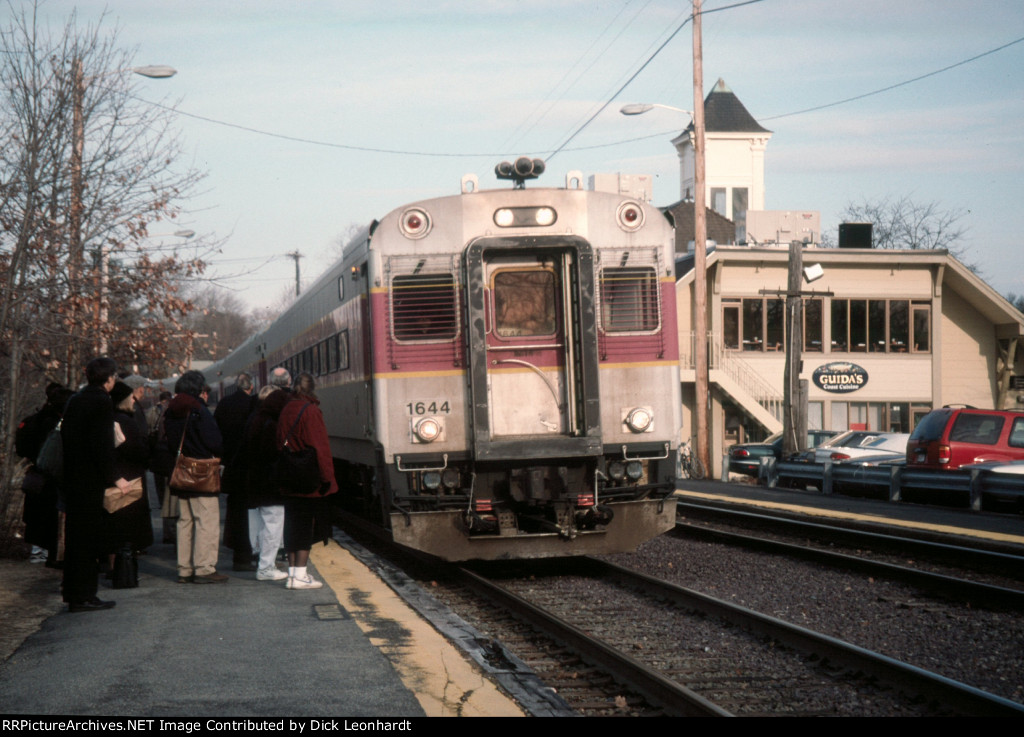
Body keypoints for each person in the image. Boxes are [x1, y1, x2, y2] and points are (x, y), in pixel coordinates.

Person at [60, 357, 127, 612]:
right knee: (88, 540)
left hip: (73, 477)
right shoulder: (101, 402)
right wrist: (115, 477)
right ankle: (85, 595)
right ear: (108, 379)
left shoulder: (75, 400)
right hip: (90, 481)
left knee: (76, 539)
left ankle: (73, 593)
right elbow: (102, 445)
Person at [275, 371, 337, 589]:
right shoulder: (310, 411)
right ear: (312, 389)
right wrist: (327, 478)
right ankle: (300, 576)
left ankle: (293, 574)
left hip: (287, 473)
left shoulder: (286, 409)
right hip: (307, 476)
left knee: (292, 524)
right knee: (305, 525)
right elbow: (320, 448)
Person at [164, 370, 226, 584]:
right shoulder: (198, 410)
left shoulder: (171, 411)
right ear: (198, 389)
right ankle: (204, 568)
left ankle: (184, 569)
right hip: (201, 474)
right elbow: (214, 441)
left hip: (181, 472)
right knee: (206, 521)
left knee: (185, 521)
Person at [15, 385, 74, 568]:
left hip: (37, 476)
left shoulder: (33, 420)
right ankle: (53, 554)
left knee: (37, 517)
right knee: (52, 517)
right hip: (54, 478)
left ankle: (40, 551)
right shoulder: (57, 424)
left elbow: (22, 449)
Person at [106, 381, 155, 577]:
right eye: (131, 397)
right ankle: (123, 567)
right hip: (129, 480)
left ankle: (113, 565)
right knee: (126, 528)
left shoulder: (107, 419)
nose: (134, 400)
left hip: (112, 477)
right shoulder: (127, 422)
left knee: (112, 524)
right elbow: (139, 451)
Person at [243, 383, 289, 581]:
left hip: (255, 480)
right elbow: (271, 454)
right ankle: (266, 567)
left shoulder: (255, 419)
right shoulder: (270, 424)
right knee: (273, 524)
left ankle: (263, 563)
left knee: (263, 524)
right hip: (269, 483)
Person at [214, 373, 258, 572]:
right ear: (251, 388)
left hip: (231, 467)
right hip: (249, 467)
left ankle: (237, 555)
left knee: (235, 512)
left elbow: (216, 432)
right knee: (251, 513)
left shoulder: (223, 404)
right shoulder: (253, 405)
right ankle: (248, 556)